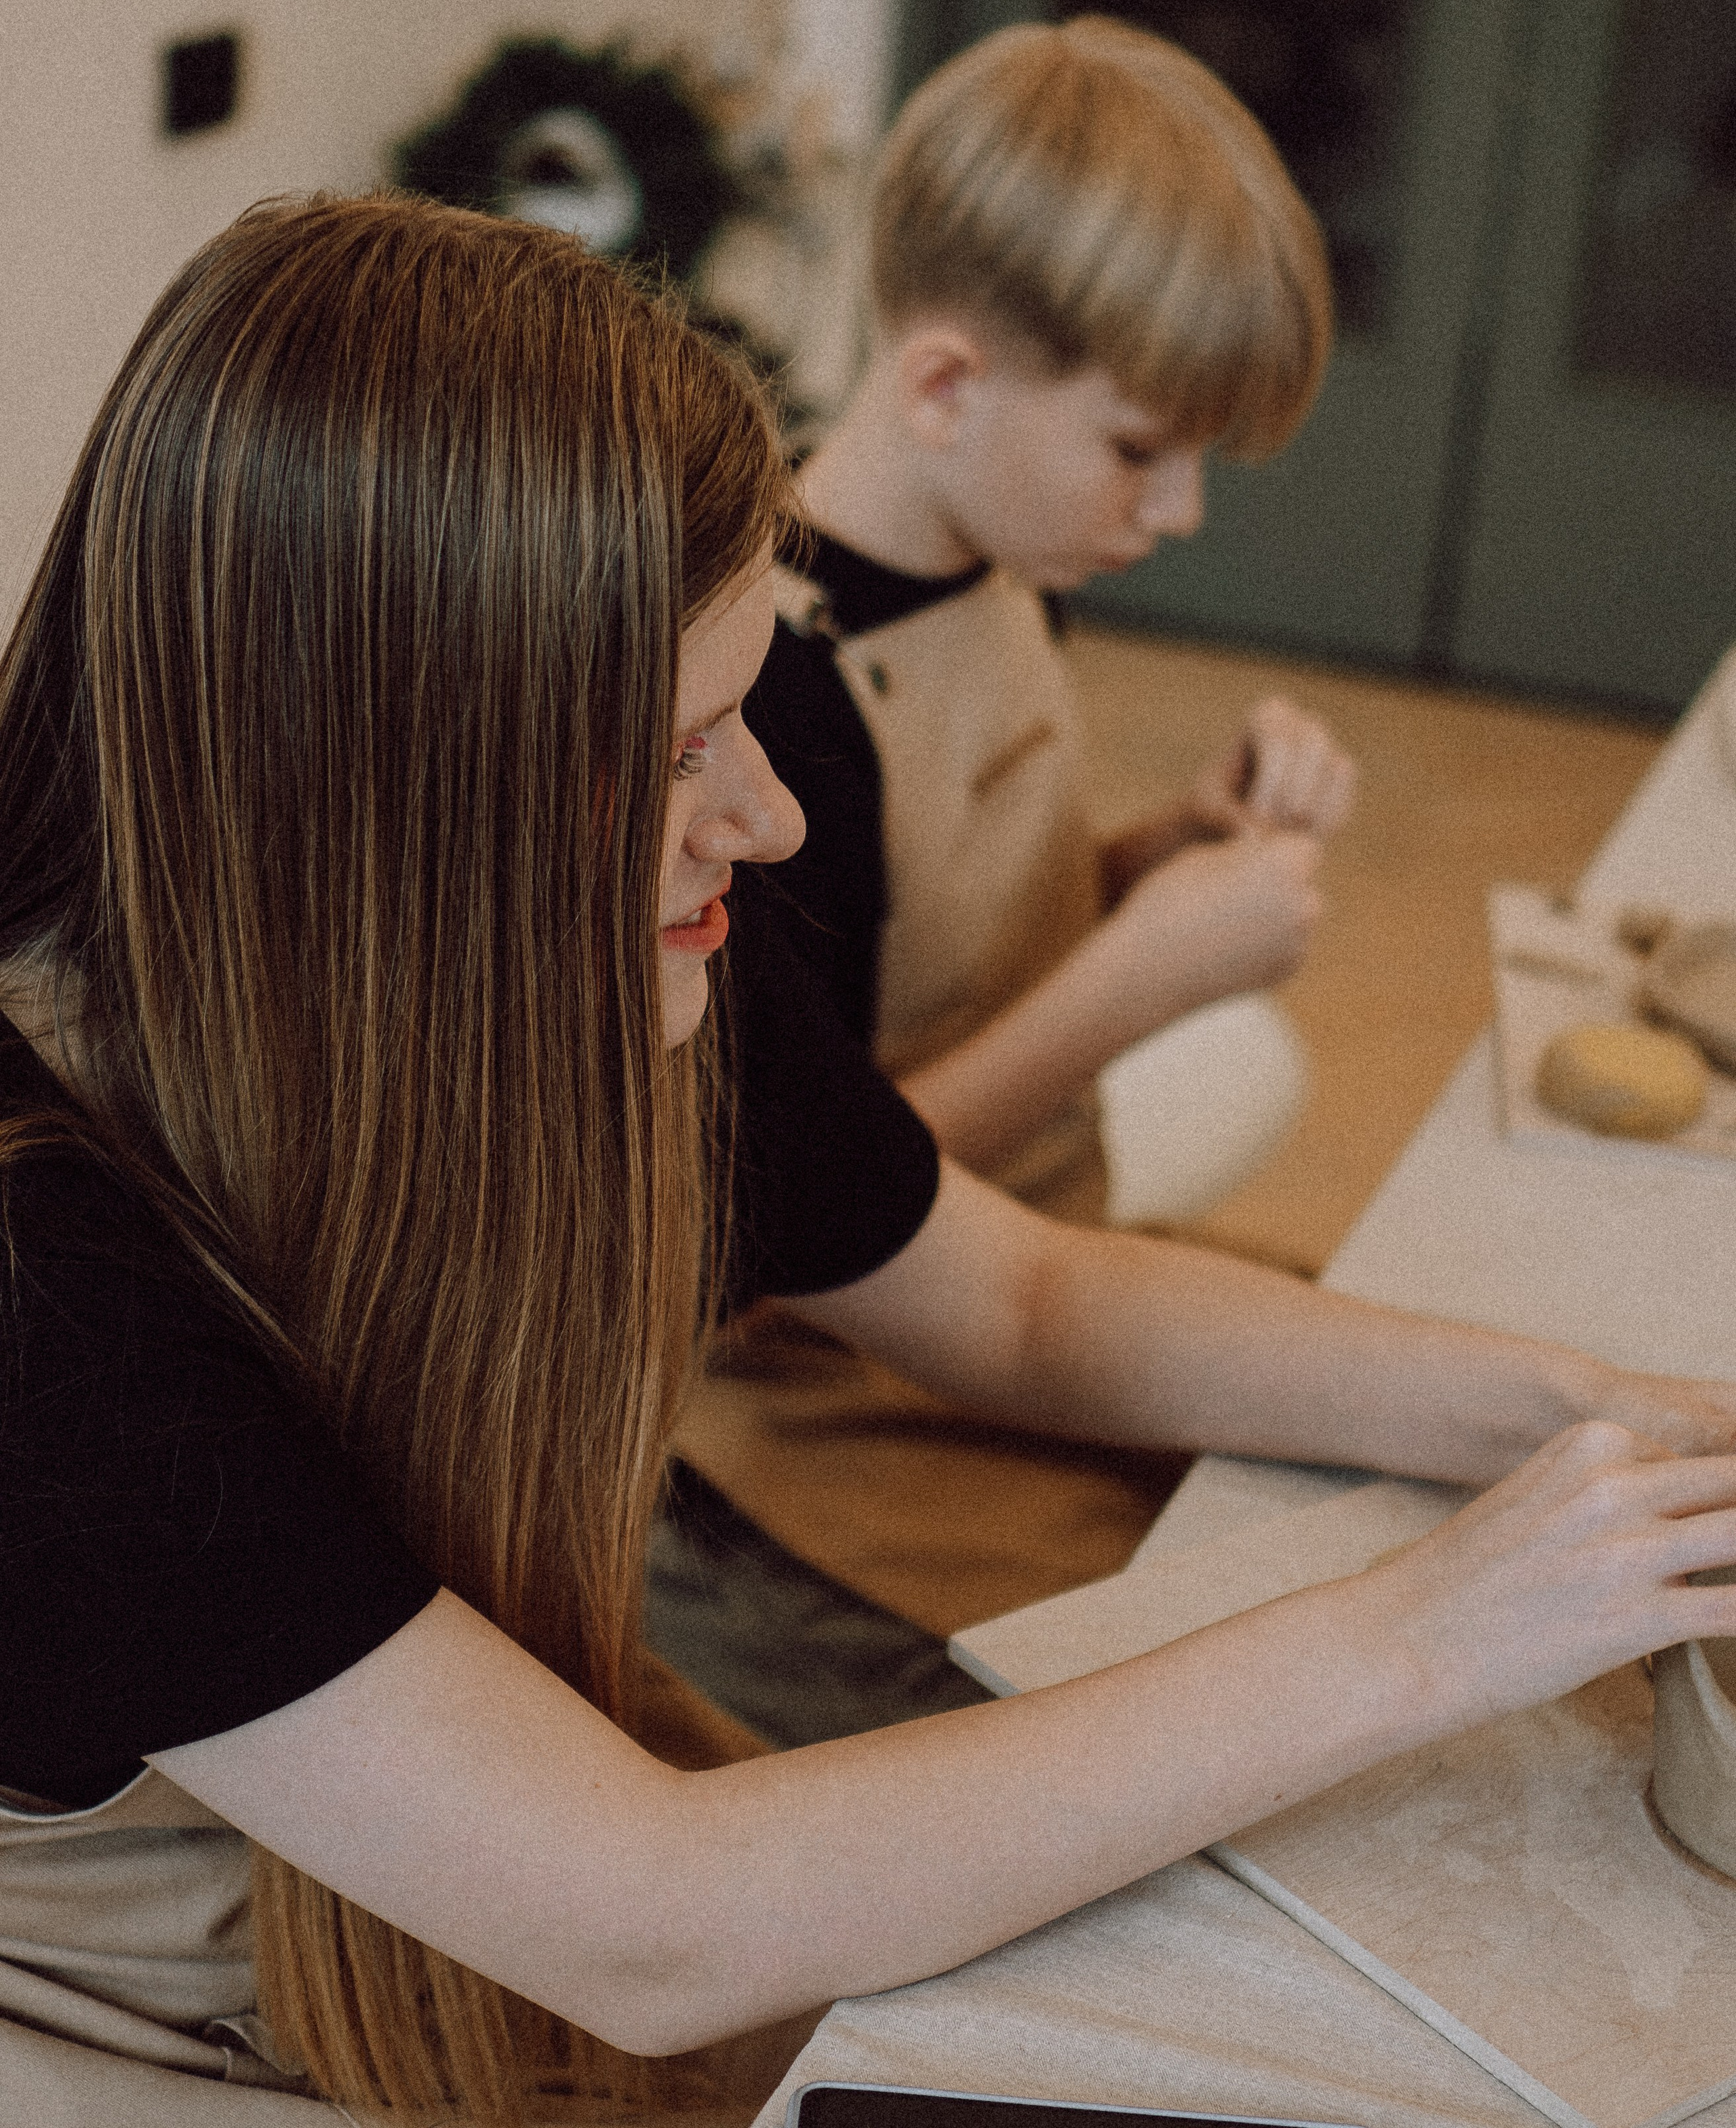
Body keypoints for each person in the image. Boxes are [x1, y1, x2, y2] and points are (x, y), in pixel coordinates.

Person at [3, 194, 1735, 2128]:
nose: (764, 814)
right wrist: (1442, 1627)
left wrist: (1599, 1420)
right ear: (398, 799)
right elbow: (652, 1918)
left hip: (456, 1904)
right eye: (683, 748)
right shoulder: (44, 1289)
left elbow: (1017, 1294)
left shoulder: (581, 954)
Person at [753, 16, 1356, 1220]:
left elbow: (948, 948)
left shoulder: (1001, 563)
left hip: (1023, 1194)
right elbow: (782, 1244)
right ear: (944, 388)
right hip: (853, 1323)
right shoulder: (764, 692)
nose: (1181, 510)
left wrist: (1168, 851)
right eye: (1139, 449)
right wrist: (1132, 986)